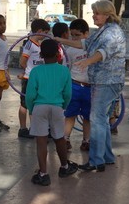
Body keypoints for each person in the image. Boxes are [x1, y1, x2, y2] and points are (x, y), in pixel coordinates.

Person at [55, 0, 126, 170]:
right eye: (93, 13)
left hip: (107, 81)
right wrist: (59, 40)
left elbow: (102, 52)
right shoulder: (103, 31)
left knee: (97, 119)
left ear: (107, 15)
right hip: (103, 81)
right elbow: (84, 44)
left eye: (97, 13)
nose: (93, 16)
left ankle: (96, 161)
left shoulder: (112, 33)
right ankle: (107, 157)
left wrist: (87, 61)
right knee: (101, 119)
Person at [25, 38, 77, 186]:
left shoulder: (35, 71)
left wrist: (31, 108)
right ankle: (65, 166)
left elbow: (30, 95)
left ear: (41, 54)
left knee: (41, 141)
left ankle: (43, 174)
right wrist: (64, 106)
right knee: (59, 138)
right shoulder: (64, 71)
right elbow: (68, 94)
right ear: (58, 54)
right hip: (57, 107)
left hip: (39, 107)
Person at [62, 19, 92, 151]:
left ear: (86, 34)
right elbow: (65, 70)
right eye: (72, 35)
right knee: (70, 115)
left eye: (77, 35)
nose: (74, 38)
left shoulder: (93, 48)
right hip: (74, 86)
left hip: (90, 87)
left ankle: (87, 141)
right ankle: (65, 139)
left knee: (88, 117)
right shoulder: (69, 51)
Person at [18, 18, 50, 138]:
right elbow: (22, 61)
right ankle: (23, 128)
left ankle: (34, 128)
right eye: (45, 33)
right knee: (25, 104)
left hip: (36, 79)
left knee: (34, 104)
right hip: (29, 79)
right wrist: (28, 72)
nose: (46, 35)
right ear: (40, 31)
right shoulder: (29, 45)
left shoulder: (38, 45)